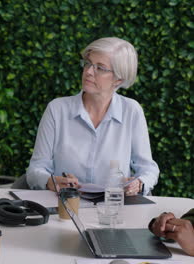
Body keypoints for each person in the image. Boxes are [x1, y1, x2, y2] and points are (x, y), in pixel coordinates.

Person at [26, 37, 159, 196]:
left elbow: (148, 169)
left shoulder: (132, 111)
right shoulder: (57, 109)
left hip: (113, 209)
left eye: (100, 68)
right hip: (65, 206)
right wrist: (50, 181)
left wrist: (138, 184)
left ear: (118, 79)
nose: (88, 71)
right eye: (88, 63)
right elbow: (35, 169)